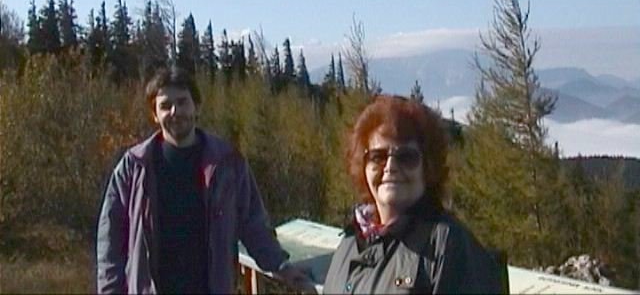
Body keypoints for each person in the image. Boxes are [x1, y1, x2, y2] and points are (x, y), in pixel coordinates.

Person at [96, 66, 316, 294]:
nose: (175, 111)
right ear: (155, 114)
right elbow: (110, 242)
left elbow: (253, 225)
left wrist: (281, 266)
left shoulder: (227, 164)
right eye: (165, 106)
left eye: (182, 102)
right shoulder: (134, 167)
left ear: (196, 106)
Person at [323, 95, 505, 294]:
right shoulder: (350, 243)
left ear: (428, 167)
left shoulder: (449, 245)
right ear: (363, 165)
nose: (390, 167)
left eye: (406, 157)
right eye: (378, 157)